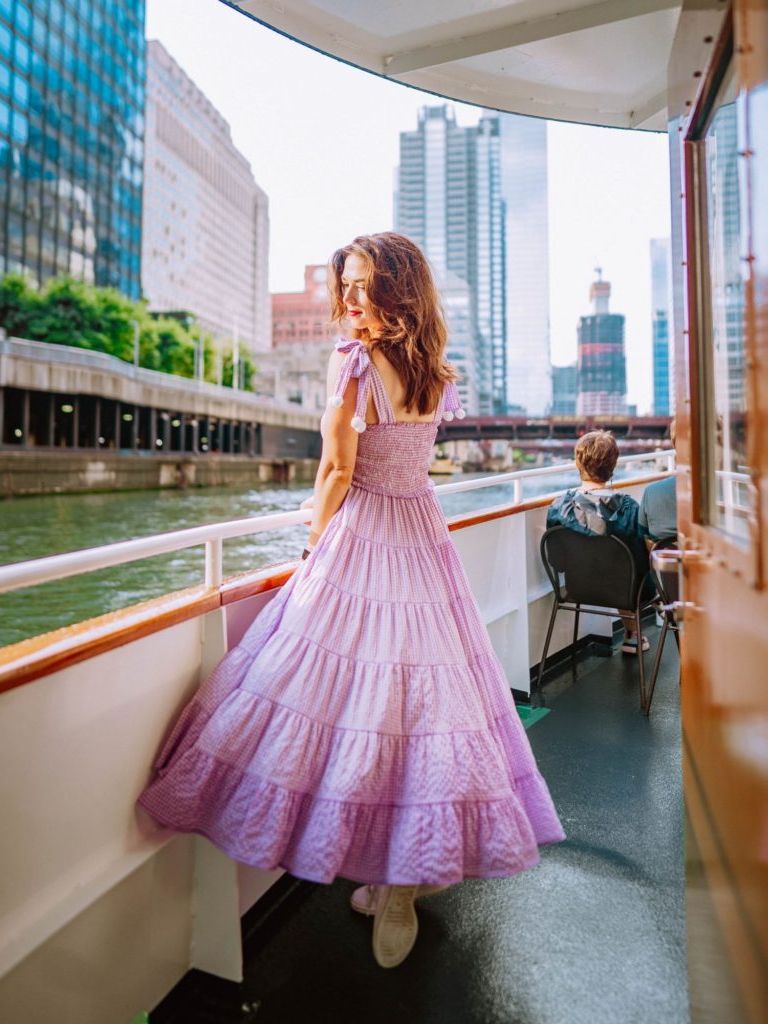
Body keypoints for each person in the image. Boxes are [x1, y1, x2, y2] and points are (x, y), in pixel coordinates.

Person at [138, 232, 564, 969]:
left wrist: (313, 546)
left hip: (366, 531)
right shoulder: (433, 368)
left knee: (328, 689)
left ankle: (376, 875)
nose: (354, 301)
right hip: (422, 535)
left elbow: (336, 470)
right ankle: (399, 881)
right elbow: (413, 460)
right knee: (424, 699)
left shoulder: (353, 363)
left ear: (399, 289)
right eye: (349, 288)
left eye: (367, 286)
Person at [546, 430, 651, 655]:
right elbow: (641, 564)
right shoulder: (629, 509)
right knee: (626, 572)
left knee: (615, 571)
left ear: (577, 463)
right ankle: (633, 636)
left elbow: (557, 561)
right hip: (623, 591)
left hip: (578, 588)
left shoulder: (559, 506)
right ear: (613, 465)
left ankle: (633, 635)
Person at [639, 421, 677, 546]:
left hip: (664, 563)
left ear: (674, 443)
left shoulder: (651, 492)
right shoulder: (729, 492)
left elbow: (641, 535)